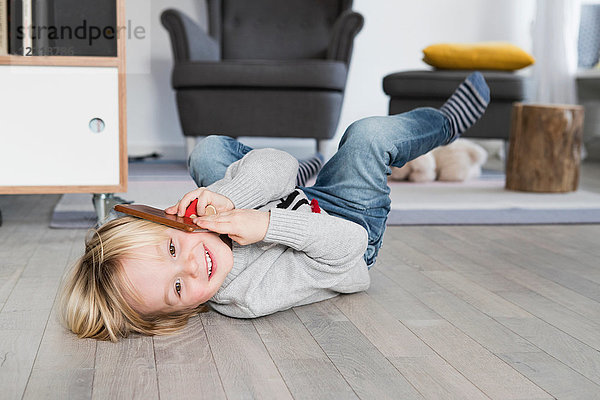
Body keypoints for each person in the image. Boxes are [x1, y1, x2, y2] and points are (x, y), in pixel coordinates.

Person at [60, 72, 490, 341]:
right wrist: (267, 224)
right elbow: (350, 250)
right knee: (367, 136)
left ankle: (301, 179)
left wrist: (232, 198)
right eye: (178, 289)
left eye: (172, 250)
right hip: (345, 230)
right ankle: (444, 123)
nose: (192, 267)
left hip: (289, 205)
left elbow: (276, 162)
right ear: (185, 311)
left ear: (170, 221)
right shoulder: (251, 295)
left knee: (208, 153)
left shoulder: (204, 223)